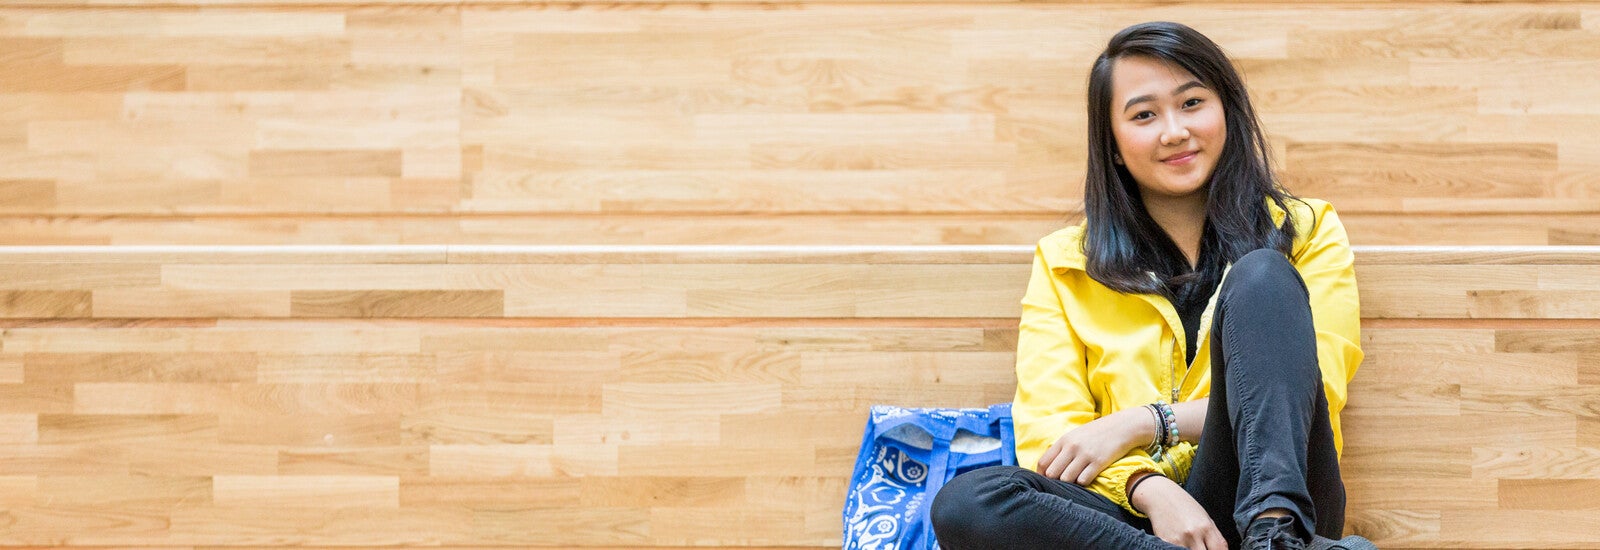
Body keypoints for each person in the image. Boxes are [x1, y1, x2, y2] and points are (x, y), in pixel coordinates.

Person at [928, 21, 1378, 550]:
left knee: (1264, 275)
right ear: (1114, 144)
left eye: (1192, 103)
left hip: (1276, 495)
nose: (1173, 131)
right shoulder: (1066, 262)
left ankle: (1272, 538)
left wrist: (1147, 422)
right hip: (1130, 523)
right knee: (969, 502)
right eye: (1144, 115)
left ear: (1226, 112)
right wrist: (1150, 487)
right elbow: (1051, 435)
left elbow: (1300, 395)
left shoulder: (1305, 229)